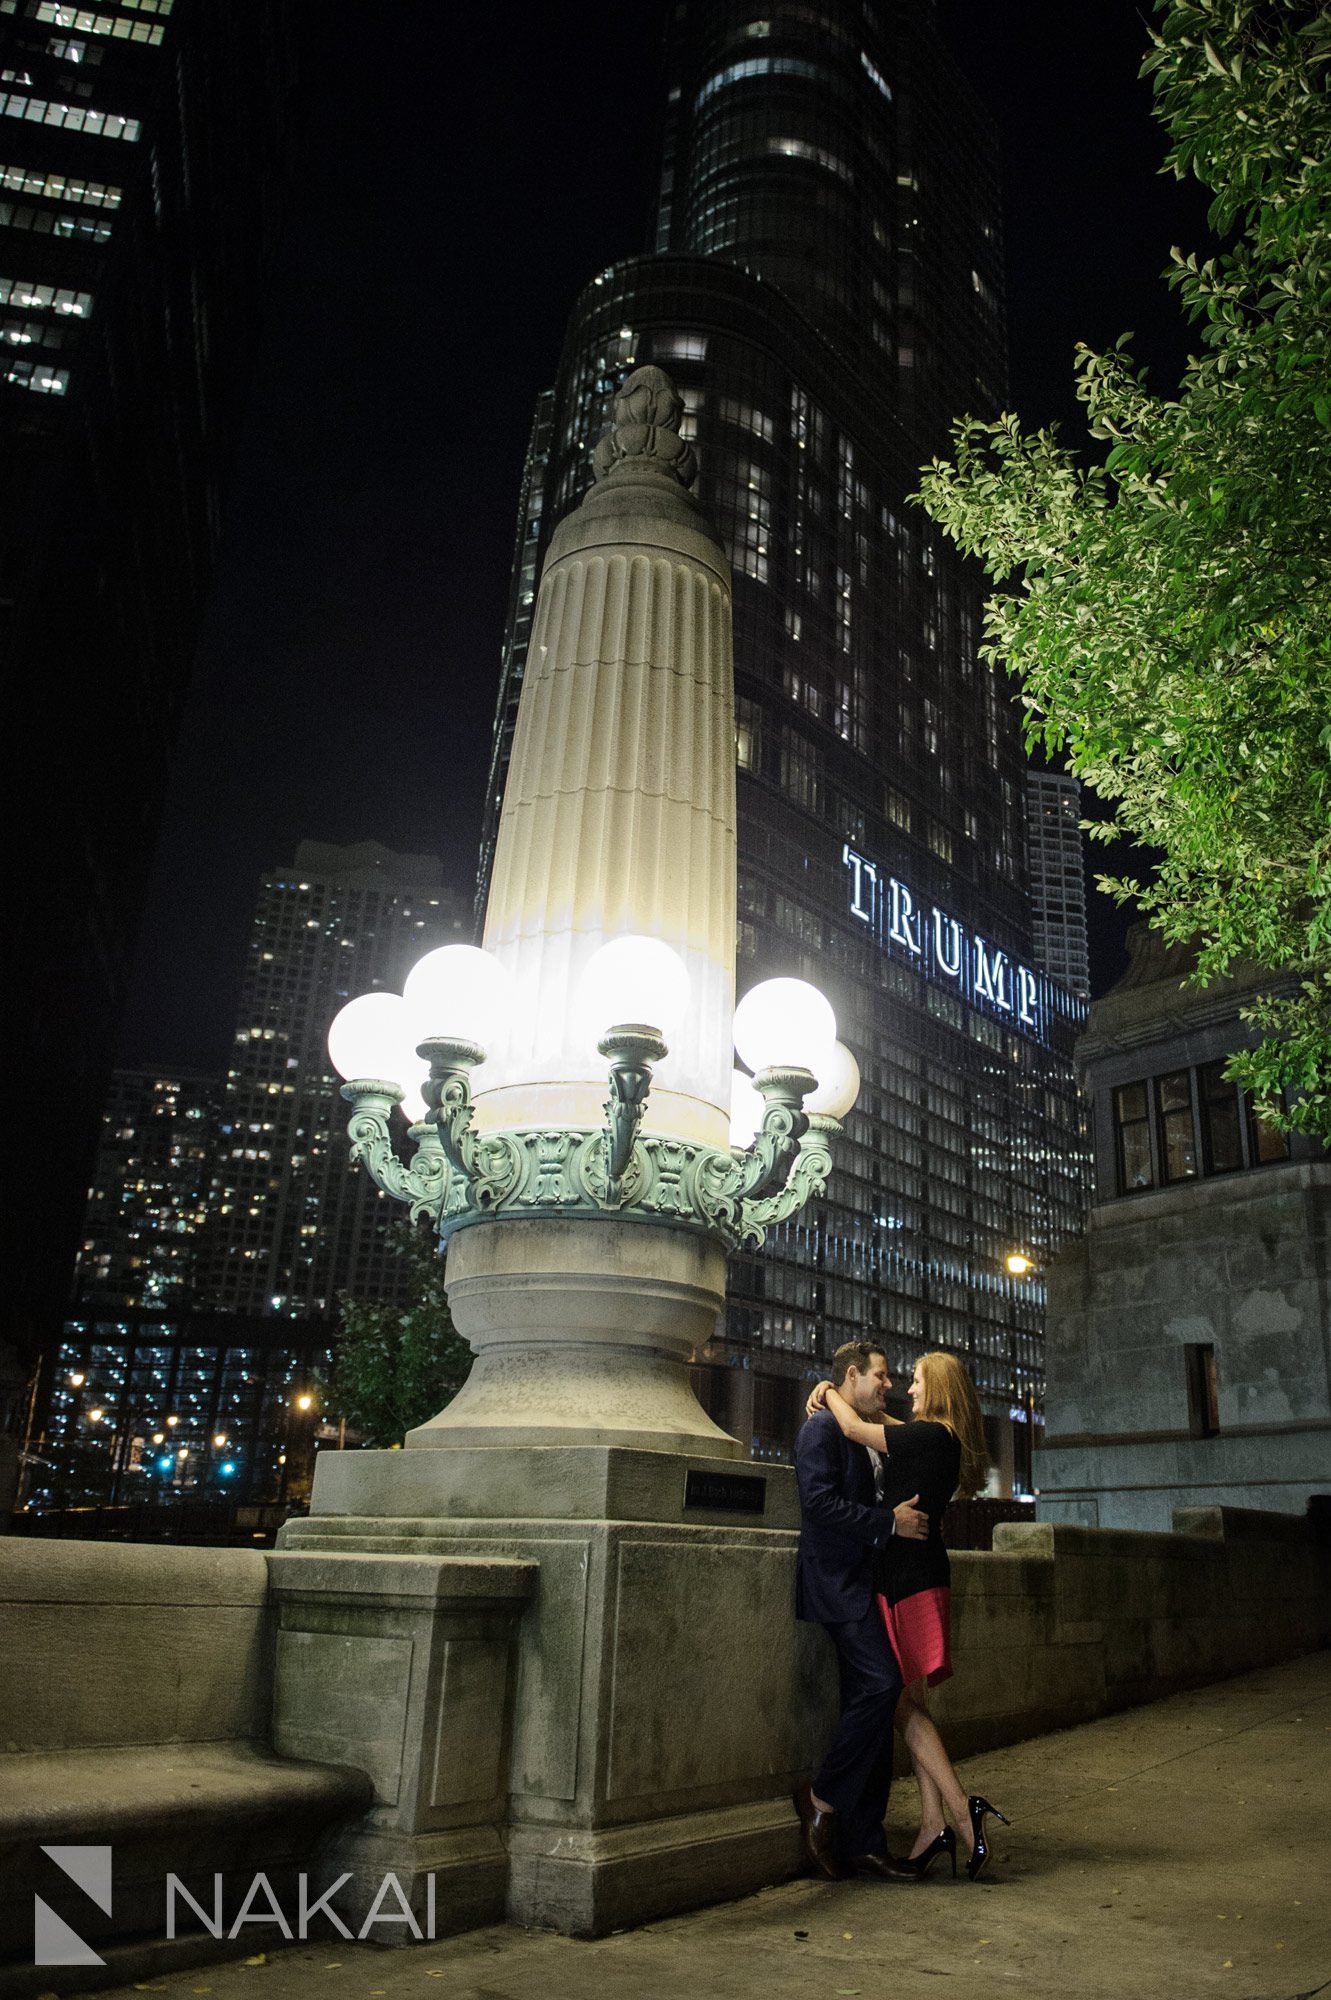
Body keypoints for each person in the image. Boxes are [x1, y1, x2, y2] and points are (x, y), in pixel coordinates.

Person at [807, 1349, 1010, 1880]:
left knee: (898, 1701)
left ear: (937, 1388)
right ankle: (931, 1824)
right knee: (908, 1700)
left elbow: (853, 1428)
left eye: (915, 1380)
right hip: (917, 1575)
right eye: (894, 1377)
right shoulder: (939, 1437)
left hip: (907, 1581)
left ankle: (963, 1813)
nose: (905, 1389)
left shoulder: (929, 1436)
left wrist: (827, 1390)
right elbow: (880, 1422)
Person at [792, 1339, 929, 1882]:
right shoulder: (821, 1429)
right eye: (881, 1375)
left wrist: (828, 1390)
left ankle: (865, 1841)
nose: (888, 1384)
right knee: (880, 1686)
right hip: (836, 1584)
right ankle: (820, 1799)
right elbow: (817, 1504)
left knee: (874, 1699)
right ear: (853, 1375)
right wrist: (887, 1522)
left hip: (868, 1585)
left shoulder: (863, 1423)